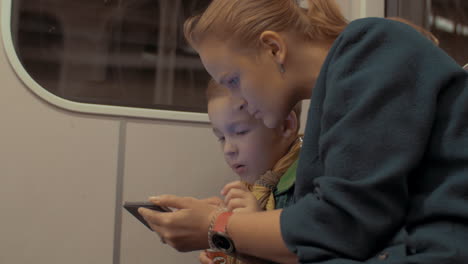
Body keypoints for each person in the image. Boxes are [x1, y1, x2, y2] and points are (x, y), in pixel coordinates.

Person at [139, 0, 468, 263]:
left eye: (233, 80)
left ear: (273, 49)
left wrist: (216, 226)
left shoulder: (370, 46)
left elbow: (343, 226)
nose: (238, 99)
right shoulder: (335, 103)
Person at [199, 80, 303, 264]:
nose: (228, 149)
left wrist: (252, 228)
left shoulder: (308, 185)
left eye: (240, 132)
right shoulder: (253, 186)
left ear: (286, 126)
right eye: (221, 137)